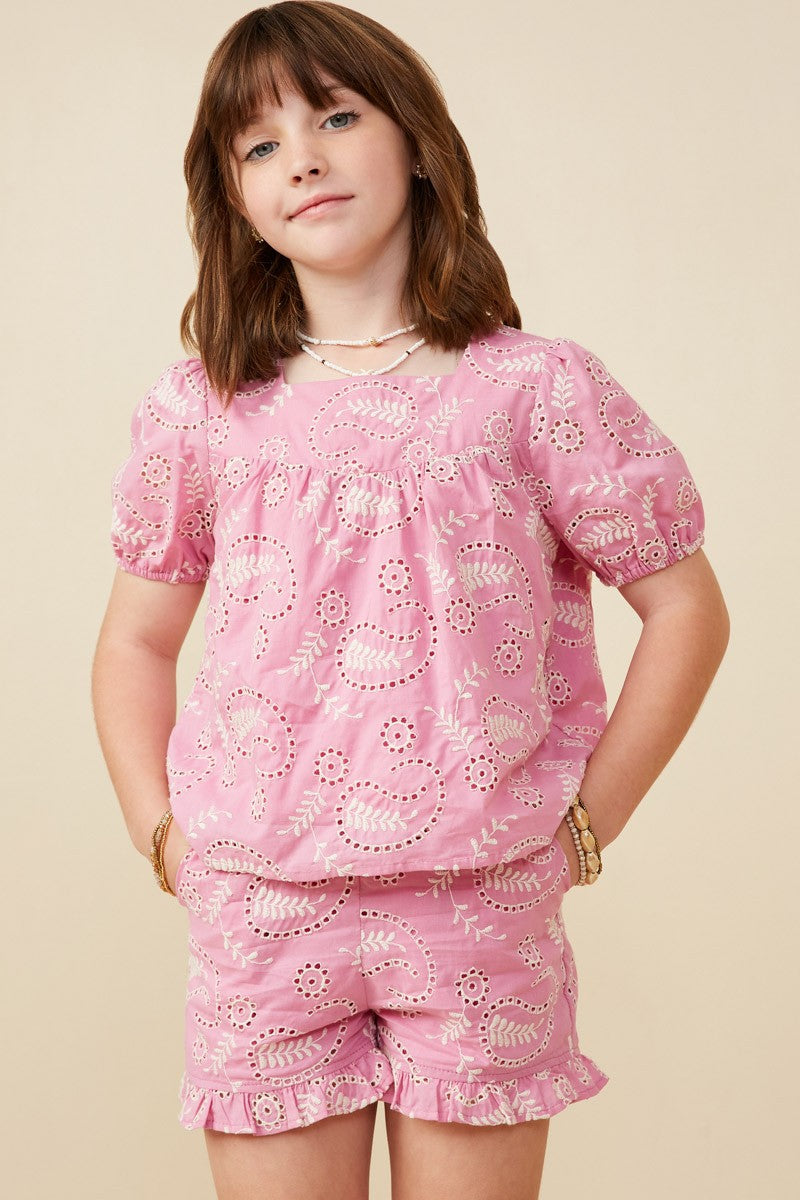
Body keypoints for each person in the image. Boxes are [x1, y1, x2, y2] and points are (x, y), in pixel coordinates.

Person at [91, 4, 730, 1198]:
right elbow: (134, 640)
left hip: (478, 907)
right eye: (260, 145)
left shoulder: (535, 390)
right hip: (260, 913)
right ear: (236, 201)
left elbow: (686, 609)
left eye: (335, 117)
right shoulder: (201, 408)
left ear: (417, 143)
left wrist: (585, 824)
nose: (303, 159)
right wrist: (162, 833)